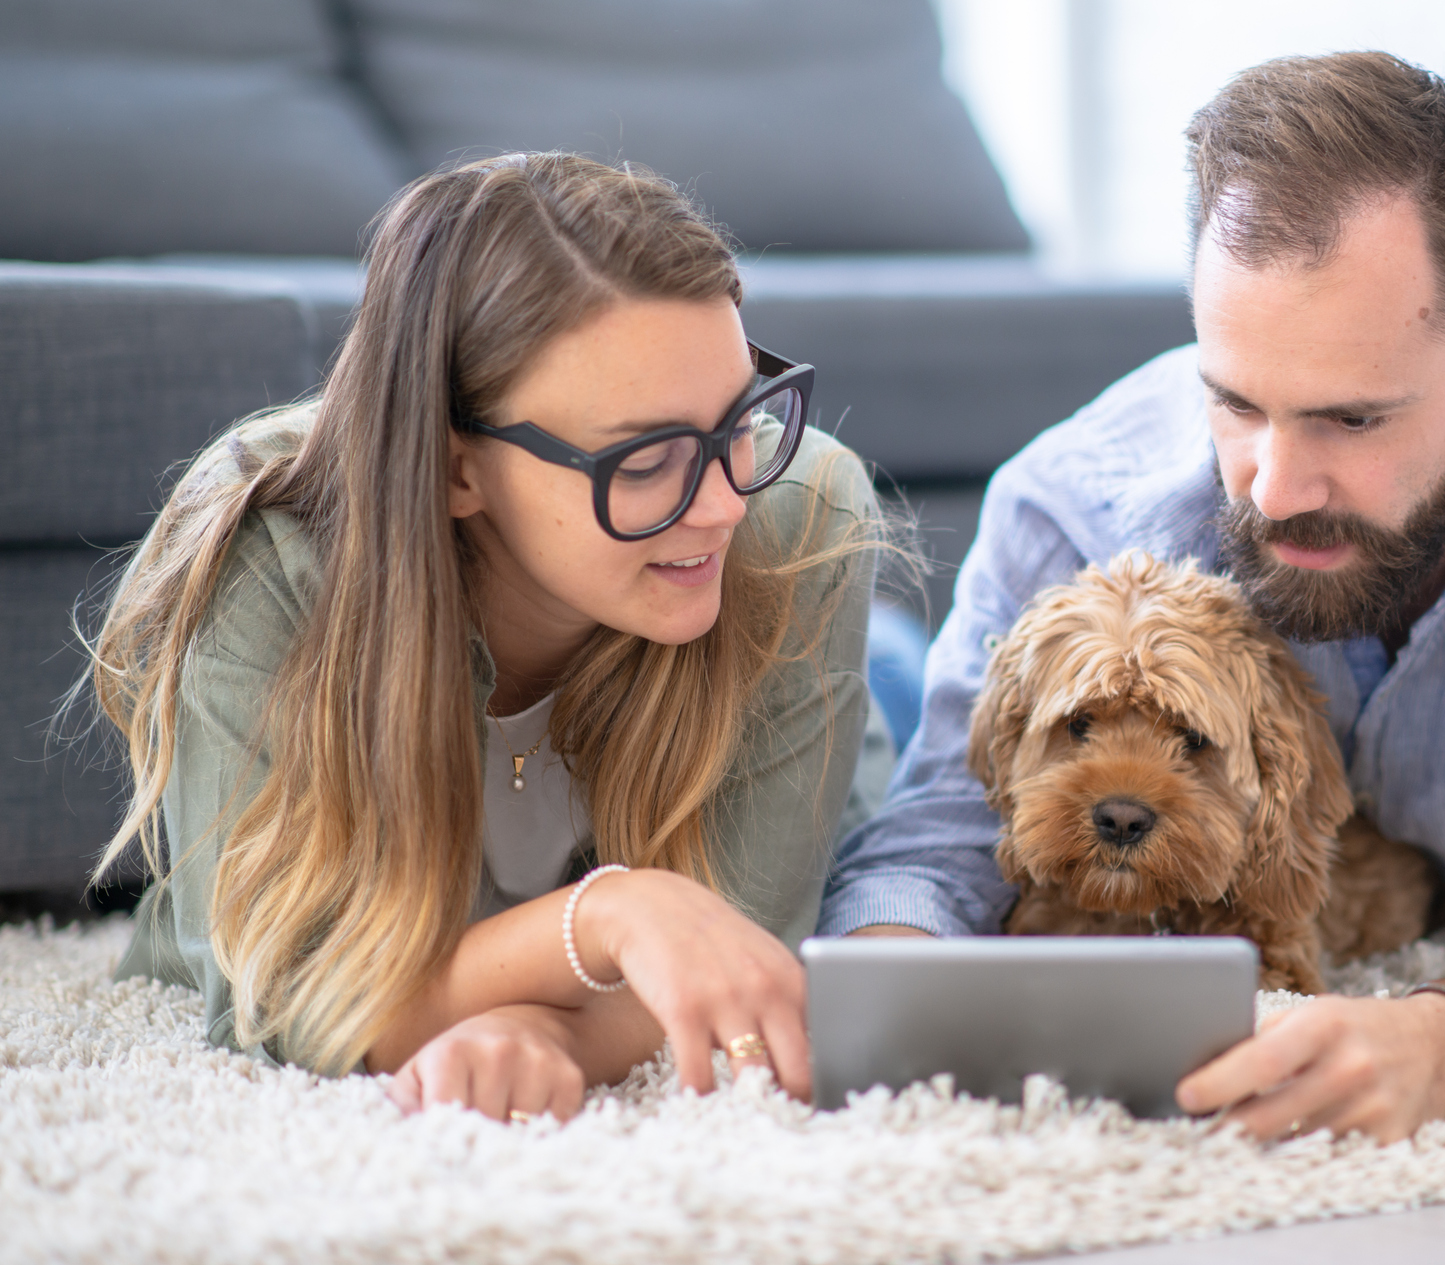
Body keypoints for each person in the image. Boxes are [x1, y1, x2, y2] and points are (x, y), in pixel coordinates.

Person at [821, 53, 1445, 1144]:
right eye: (1233, 403)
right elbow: (936, 843)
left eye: (1350, 419)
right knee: (887, 685)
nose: (1273, 488)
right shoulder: (1069, 504)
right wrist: (882, 1007)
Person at [90, 153, 880, 1122]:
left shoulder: (794, 514)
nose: (721, 502)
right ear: (456, 468)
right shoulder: (265, 549)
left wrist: (550, 1033)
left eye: (739, 421)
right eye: (645, 459)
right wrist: (610, 916)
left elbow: (742, 949)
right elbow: (276, 998)